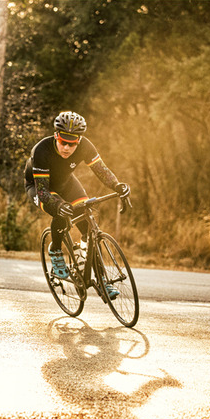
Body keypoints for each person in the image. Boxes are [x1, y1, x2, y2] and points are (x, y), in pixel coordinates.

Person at [24, 111, 130, 299]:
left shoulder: (86, 146)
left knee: (88, 226)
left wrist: (117, 185)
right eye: (63, 141)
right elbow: (43, 191)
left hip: (66, 183)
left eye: (72, 144)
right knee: (61, 213)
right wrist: (58, 206)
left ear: (79, 141)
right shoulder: (41, 150)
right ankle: (56, 251)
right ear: (56, 135)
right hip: (39, 186)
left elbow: (102, 170)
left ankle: (99, 276)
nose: (66, 147)